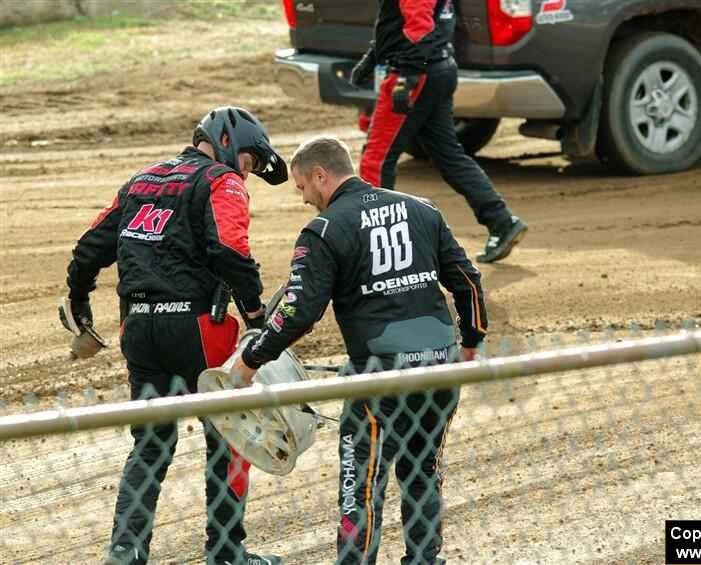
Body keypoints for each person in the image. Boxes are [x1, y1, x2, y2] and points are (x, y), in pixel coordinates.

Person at [228, 136, 488, 564]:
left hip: (376, 378)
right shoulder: (422, 209)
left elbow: (298, 311)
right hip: (440, 367)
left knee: (360, 484)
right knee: (422, 470)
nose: (306, 199)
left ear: (320, 174)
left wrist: (252, 359)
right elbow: (468, 280)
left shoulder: (325, 229)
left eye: (302, 188)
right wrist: (472, 344)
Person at [60, 107, 287, 565]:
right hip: (202, 326)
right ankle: (226, 553)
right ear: (227, 142)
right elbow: (229, 247)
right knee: (229, 438)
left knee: (150, 443)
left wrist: (79, 297)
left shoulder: (140, 181)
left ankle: (125, 551)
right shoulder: (222, 181)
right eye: (248, 161)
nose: (247, 172)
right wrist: (257, 312)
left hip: (139, 328)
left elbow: (89, 248)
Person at [350, 0, 528, 264]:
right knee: (449, 156)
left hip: (415, 73)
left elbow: (419, 26)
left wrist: (406, 76)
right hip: (437, 67)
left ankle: (376, 250)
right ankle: (501, 221)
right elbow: (402, 21)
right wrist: (372, 59)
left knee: (376, 160)